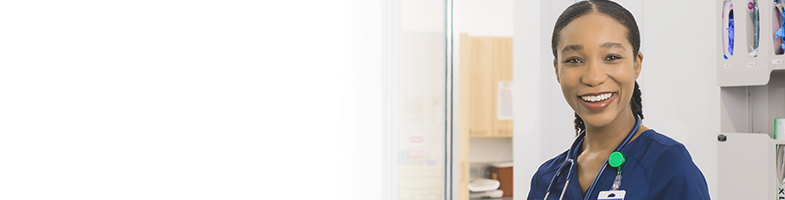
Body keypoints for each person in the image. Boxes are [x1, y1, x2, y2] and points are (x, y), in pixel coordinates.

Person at [526, 0, 711, 199]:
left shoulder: (669, 166)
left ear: (636, 64)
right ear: (557, 70)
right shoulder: (547, 179)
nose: (593, 77)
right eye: (574, 60)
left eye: (612, 57)